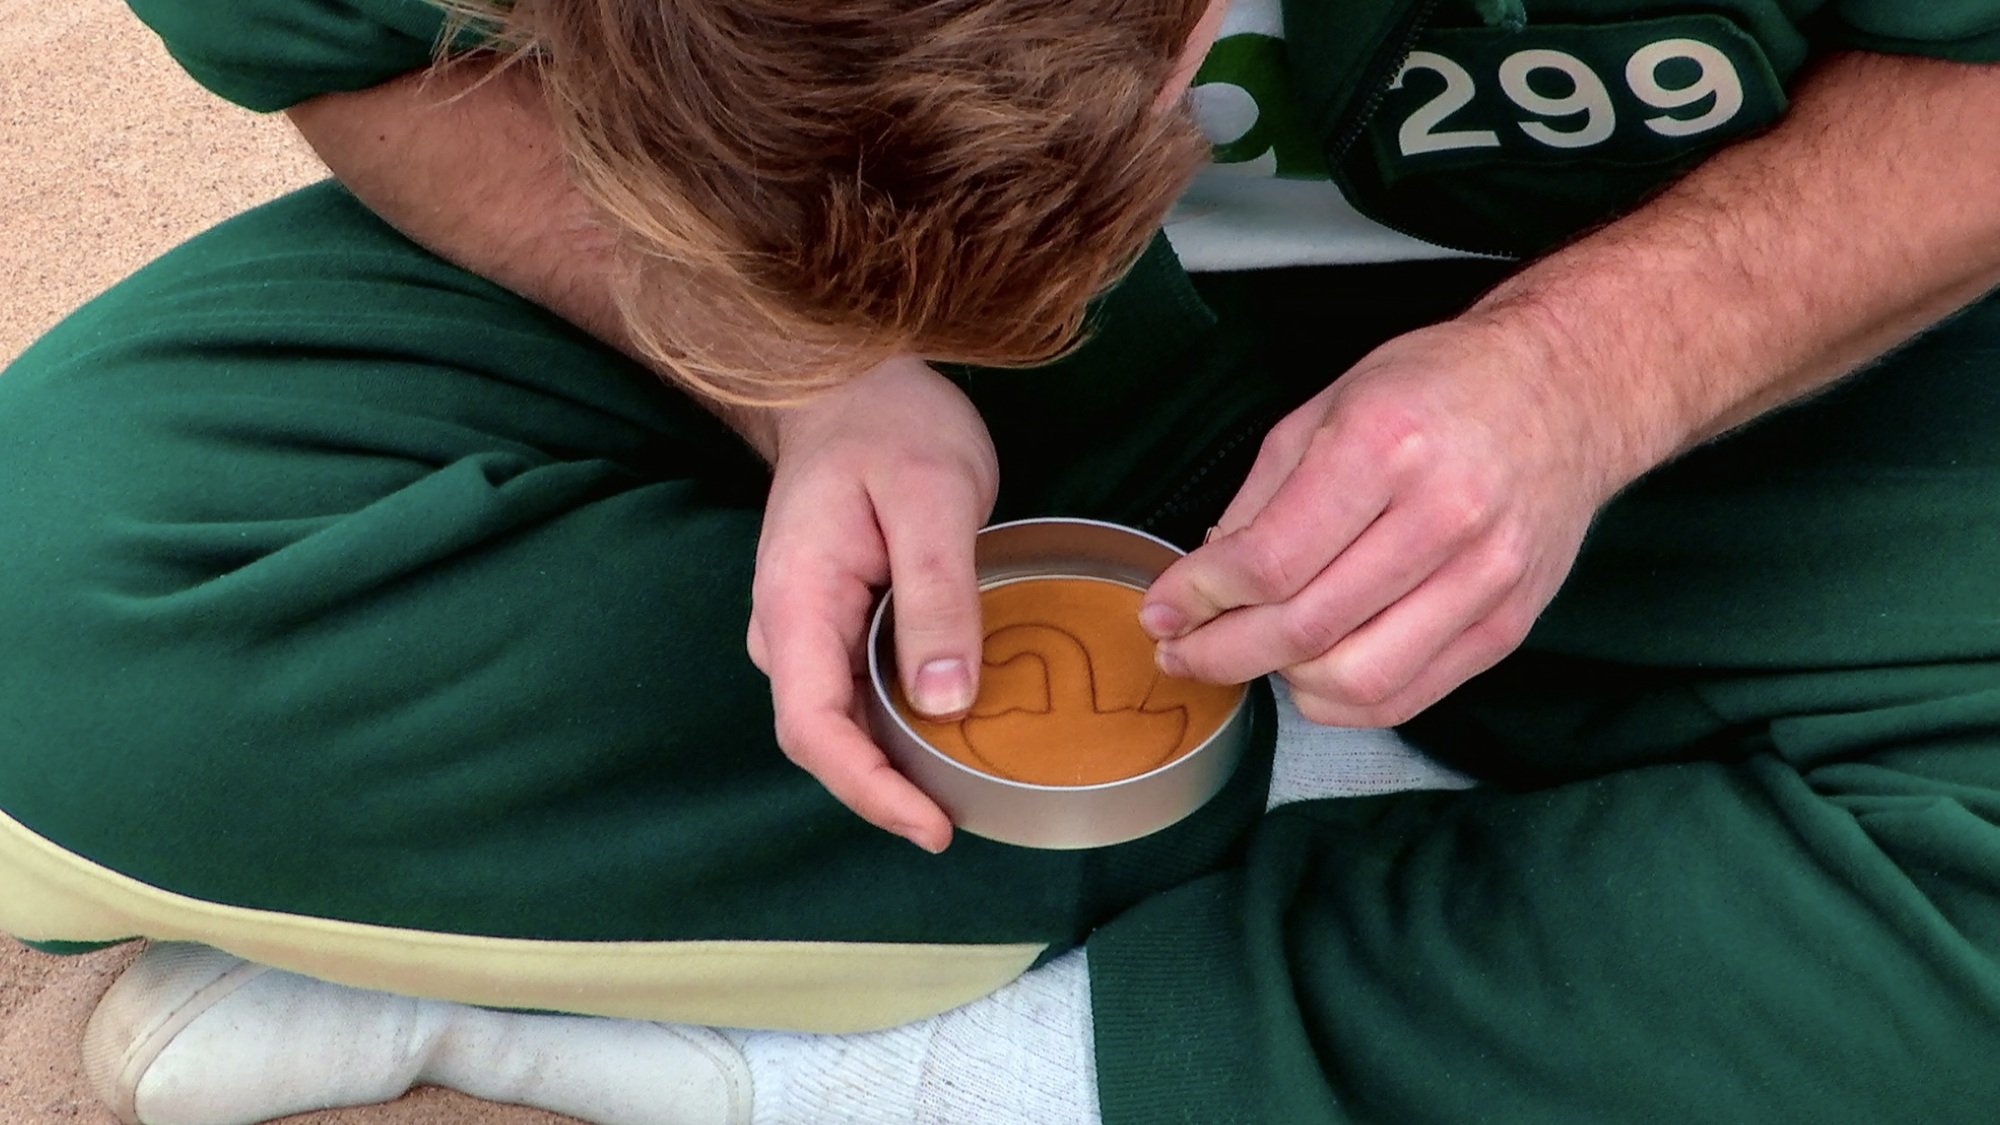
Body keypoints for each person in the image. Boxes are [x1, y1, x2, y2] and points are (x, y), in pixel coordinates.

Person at [3, 0, 1999, 1122]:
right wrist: (803, 367)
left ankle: (923, 1057)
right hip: (814, 295)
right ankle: (1524, 821)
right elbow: (354, 42)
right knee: (53, 620)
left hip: (1697, 299)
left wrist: (1591, 371)